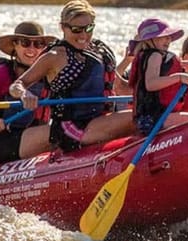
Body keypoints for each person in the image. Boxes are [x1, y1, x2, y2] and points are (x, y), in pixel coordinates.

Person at [9, 0, 135, 154]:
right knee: (140, 118)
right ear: (63, 27)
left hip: (101, 120)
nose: (83, 35)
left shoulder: (98, 51)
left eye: (89, 28)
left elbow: (120, 87)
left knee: (150, 114)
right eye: (76, 29)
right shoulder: (55, 56)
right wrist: (24, 94)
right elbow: (17, 85)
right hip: (73, 129)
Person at [0, 21, 56, 165]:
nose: (32, 49)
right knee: (58, 132)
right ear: (15, 45)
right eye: (25, 43)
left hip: (31, 139)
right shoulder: (2, 73)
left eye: (38, 44)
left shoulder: (50, 75)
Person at [126, 18, 188, 134]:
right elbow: (151, 84)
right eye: (164, 36)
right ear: (150, 39)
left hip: (146, 118)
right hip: (154, 119)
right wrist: (179, 77)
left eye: (169, 37)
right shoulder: (155, 56)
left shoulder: (147, 55)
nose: (169, 40)